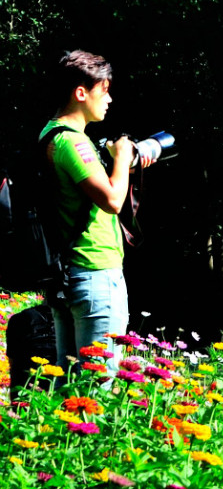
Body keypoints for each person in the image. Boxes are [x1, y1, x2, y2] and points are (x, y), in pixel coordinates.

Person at [40, 50, 154, 374]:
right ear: (81, 93)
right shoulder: (72, 143)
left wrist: (122, 163)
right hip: (94, 273)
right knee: (96, 387)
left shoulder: (50, 133)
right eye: (104, 90)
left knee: (68, 381)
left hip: (69, 273)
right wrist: (121, 156)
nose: (110, 99)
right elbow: (114, 201)